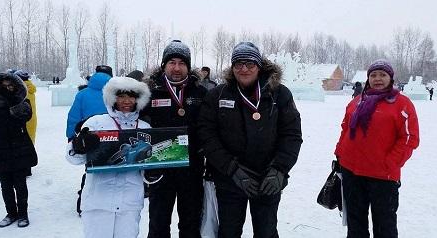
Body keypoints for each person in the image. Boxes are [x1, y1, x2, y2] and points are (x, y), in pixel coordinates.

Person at [197, 41, 303, 237]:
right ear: (232, 67)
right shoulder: (217, 95)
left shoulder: (279, 94)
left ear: (259, 66)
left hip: (268, 179)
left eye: (250, 64)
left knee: (266, 232)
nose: (244, 69)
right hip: (230, 180)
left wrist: (279, 169)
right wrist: (231, 169)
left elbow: (292, 135)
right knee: (229, 231)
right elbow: (207, 135)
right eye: (238, 64)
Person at [334, 59, 419, 238]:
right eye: (373, 75)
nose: (377, 78)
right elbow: (345, 128)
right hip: (352, 172)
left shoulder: (401, 103)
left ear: (391, 78)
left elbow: (410, 138)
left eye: (382, 75)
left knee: (384, 226)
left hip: (383, 176)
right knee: (356, 224)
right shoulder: (357, 101)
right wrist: (340, 154)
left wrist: (390, 163)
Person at [66, 76, 151, 238]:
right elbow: (73, 158)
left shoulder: (145, 128)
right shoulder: (96, 123)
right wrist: (78, 146)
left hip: (129, 203)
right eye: (121, 96)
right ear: (112, 98)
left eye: (131, 96)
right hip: (98, 201)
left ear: (138, 99)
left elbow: (148, 170)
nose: (126, 101)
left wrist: (152, 174)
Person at [141, 40, 207, 238]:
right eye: (172, 62)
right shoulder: (149, 93)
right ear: (164, 65)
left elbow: (211, 127)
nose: (177, 68)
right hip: (160, 169)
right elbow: (131, 122)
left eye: (182, 63)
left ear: (188, 66)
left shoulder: (201, 93)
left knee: (190, 224)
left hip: (192, 169)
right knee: (158, 225)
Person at [0, 73, 37, 228]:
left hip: (20, 148)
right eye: (4, 86)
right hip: (0, 148)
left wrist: (14, 104)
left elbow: (26, 116)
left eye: (10, 86)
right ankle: (11, 213)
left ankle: (23, 214)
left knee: (20, 184)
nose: (7, 89)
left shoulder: (23, 102)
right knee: (5, 185)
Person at [66, 65, 112, 217]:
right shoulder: (114, 94)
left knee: (91, 168)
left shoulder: (82, 94)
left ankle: (83, 202)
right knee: (110, 165)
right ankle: (108, 201)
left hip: (88, 137)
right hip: (111, 135)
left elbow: (73, 116)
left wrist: (71, 136)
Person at [14, 69, 37, 177]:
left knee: (21, 144)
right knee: (30, 143)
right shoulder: (31, 88)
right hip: (32, 119)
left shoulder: (20, 90)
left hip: (23, 120)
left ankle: (24, 169)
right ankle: (28, 168)